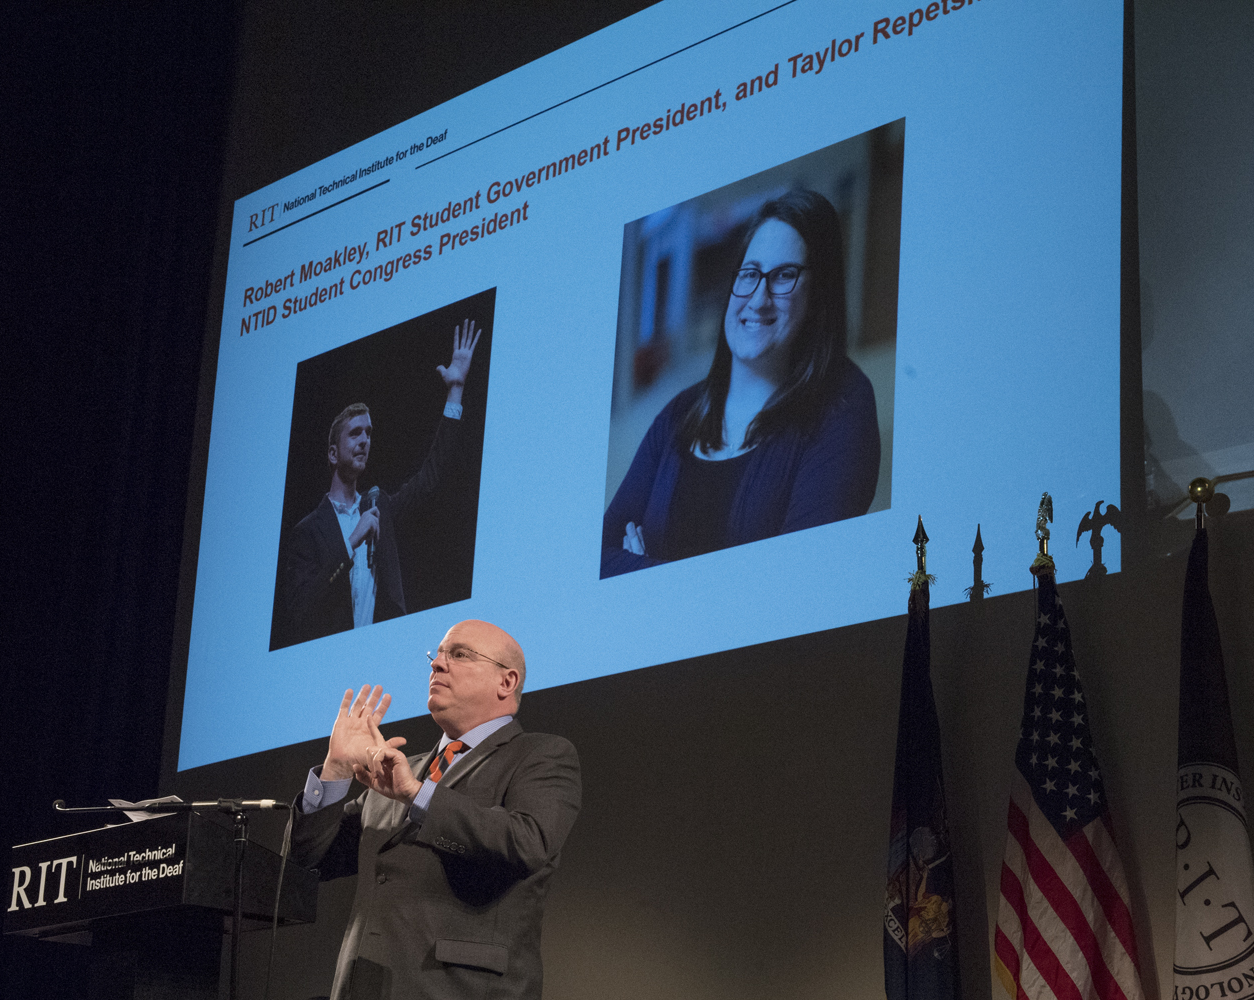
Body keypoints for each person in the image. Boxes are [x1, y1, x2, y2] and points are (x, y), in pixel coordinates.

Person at [290, 619, 581, 1000]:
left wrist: (419, 795)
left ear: (506, 682)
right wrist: (336, 771)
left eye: (459, 654)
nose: (437, 664)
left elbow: (527, 843)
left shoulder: (540, 755)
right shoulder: (398, 771)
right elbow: (308, 862)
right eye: (437, 655)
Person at [601, 189, 880, 578]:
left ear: (819, 295)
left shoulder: (843, 405)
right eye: (749, 274)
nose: (758, 299)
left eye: (784, 275)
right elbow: (602, 553)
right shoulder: (679, 413)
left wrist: (648, 569)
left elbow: (797, 579)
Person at [276, 320, 481, 646]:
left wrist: (455, 389)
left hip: (384, 655)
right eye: (355, 433)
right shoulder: (308, 532)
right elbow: (300, 609)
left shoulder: (378, 507)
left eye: (368, 433)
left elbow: (430, 478)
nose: (364, 441)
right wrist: (351, 542)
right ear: (332, 453)